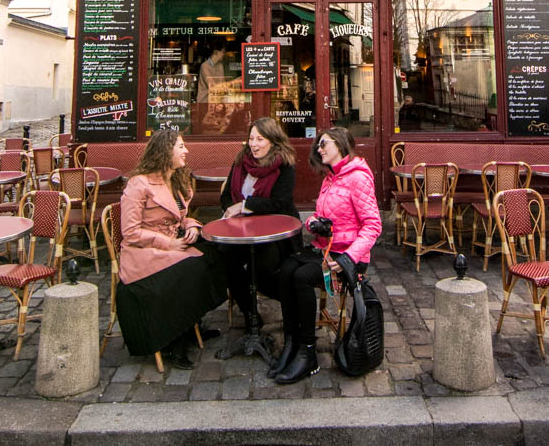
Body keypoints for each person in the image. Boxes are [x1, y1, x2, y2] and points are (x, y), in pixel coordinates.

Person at [270, 127, 382, 385]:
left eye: (324, 144)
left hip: (349, 260)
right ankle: (292, 341)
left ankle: (308, 352)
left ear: (341, 144)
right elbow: (324, 217)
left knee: (301, 277)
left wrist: (348, 259)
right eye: (318, 146)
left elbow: (373, 226)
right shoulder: (331, 177)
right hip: (327, 250)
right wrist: (314, 225)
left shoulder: (358, 178)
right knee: (286, 268)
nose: (319, 150)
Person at [115, 129, 226, 368]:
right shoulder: (139, 184)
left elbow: (180, 216)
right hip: (143, 253)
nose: (186, 151)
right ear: (166, 151)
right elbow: (130, 232)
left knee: (216, 253)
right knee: (192, 269)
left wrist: (193, 226)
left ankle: (193, 320)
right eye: (181, 146)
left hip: (173, 243)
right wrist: (169, 243)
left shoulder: (175, 179)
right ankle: (177, 341)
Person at [220, 117, 299, 327]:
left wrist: (244, 206)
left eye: (260, 139)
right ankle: (249, 312)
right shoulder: (240, 161)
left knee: (263, 265)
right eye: (251, 138)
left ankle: (292, 301)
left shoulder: (284, 165)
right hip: (240, 231)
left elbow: (279, 203)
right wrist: (231, 209)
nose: (254, 144)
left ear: (273, 141)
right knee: (225, 259)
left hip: (275, 231)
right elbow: (226, 195)